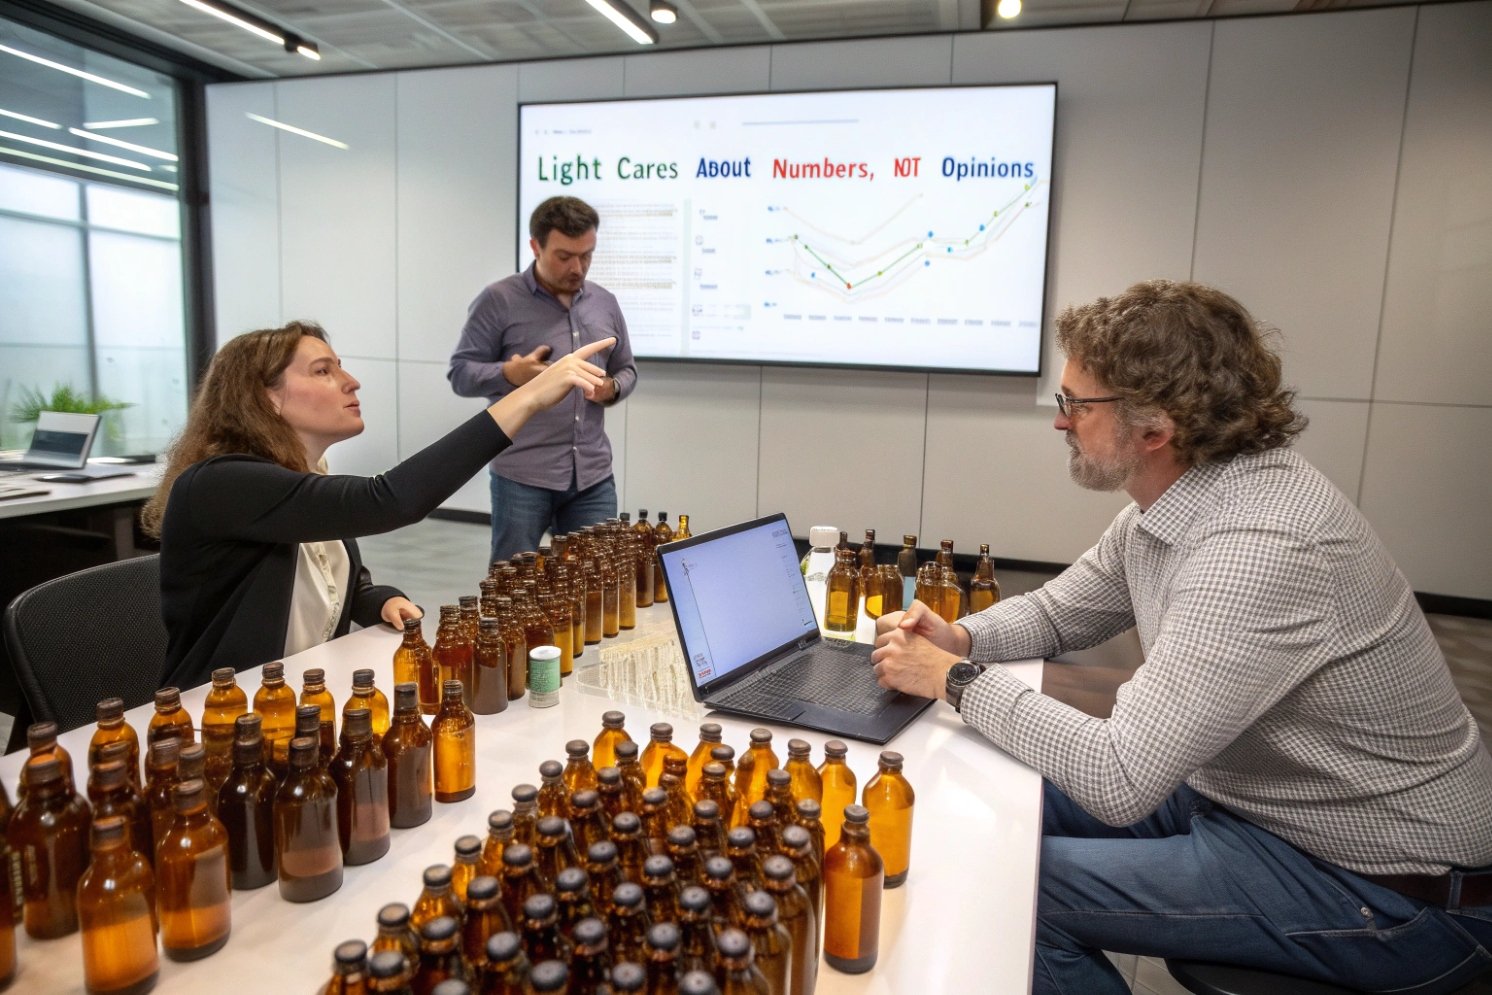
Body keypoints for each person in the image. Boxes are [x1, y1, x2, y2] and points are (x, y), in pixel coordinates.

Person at [871, 280, 1492, 993]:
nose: (1060, 421)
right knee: (995, 800)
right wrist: (959, 635)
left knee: (1010, 884)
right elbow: (1058, 612)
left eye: (1076, 402)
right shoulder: (1181, 501)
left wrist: (953, 679)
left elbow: (1119, 776)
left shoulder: (1258, 544)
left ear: (1155, 429)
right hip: (1255, 803)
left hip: (1389, 888)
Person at [142, 320, 614, 692]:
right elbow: (389, 500)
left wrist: (374, 599)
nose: (351, 382)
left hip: (298, 701)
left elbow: (322, 576)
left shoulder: (302, 480)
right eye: (324, 371)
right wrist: (527, 397)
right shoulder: (220, 483)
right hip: (218, 719)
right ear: (266, 400)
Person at [448, 195, 636, 563]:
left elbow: (627, 369)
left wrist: (611, 388)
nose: (578, 268)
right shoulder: (498, 300)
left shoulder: (605, 302)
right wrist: (508, 373)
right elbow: (461, 373)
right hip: (522, 475)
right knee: (511, 588)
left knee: (595, 582)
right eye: (564, 256)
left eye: (587, 255)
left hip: (592, 476)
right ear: (535, 246)